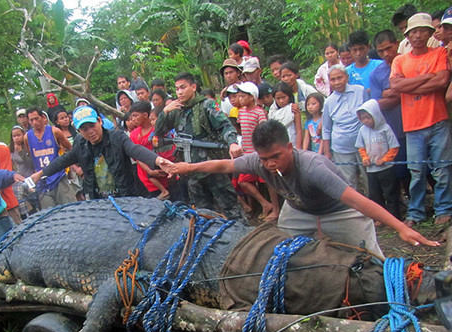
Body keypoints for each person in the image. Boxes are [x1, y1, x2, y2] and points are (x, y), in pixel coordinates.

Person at [168, 120, 440, 260]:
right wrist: (187, 168)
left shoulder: (313, 167)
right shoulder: (258, 161)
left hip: (339, 212)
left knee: (371, 259)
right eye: (264, 159)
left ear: (290, 147)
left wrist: (400, 227)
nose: (270, 163)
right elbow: (224, 165)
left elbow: (358, 201)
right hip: (298, 211)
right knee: (284, 252)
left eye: (275, 156)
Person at [29, 105, 173, 199]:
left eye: (92, 125)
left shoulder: (117, 137)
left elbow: (135, 149)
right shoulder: (81, 143)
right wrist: (40, 174)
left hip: (125, 196)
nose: (90, 132)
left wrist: (158, 160)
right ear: (79, 131)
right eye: (84, 129)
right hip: (98, 200)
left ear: (100, 121)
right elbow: (63, 160)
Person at [155, 72, 245, 222]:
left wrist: (233, 143)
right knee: (202, 213)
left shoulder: (206, 105)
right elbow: (158, 131)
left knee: (231, 208)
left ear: (193, 87)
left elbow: (225, 126)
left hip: (212, 166)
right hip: (191, 170)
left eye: (183, 87)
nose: (180, 92)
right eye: (177, 89)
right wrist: (165, 111)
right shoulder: (177, 109)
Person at [390, 13, 452, 226]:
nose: (418, 35)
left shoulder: (439, 53)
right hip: (413, 125)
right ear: (407, 35)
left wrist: (411, 84)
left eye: (422, 30)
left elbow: (442, 81)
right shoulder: (400, 60)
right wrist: (427, 77)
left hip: (438, 120)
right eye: (414, 31)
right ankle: (416, 212)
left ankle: (443, 209)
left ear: (430, 33)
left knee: (442, 168)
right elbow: (396, 87)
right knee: (416, 171)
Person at [370, 30, 410, 196]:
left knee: (425, 167)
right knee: (401, 171)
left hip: (417, 122)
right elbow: (378, 104)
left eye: (388, 48)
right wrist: (405, 92)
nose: (386, 54)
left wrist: (390, 92)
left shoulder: (410, 62)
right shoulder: (376, 73)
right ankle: (408, 204)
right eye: (381, 51)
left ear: (397, 43)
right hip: (394, 127)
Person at [235, 82, 279, 221]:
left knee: (267, 181)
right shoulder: (241, 113)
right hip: (247, 153)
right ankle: (265, 204)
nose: (240, 99)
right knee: (243, 181)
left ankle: (276, 209)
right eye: (239, 96)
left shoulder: (259, 112)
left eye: (243, 96)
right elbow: (240, 130)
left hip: (259, 152)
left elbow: (264, 131)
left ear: (252, 97)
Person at [322, 65, 369, 191]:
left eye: (340, 78)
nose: (337, 82)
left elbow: (370, 116)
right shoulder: (328, 102)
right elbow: (326, 129)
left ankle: (373, 207)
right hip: (341, 148)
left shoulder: (360, 91)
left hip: (363, 145)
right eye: (333, 80)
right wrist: (327, 153)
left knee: (368, 178)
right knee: (348, 181)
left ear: (347, 77)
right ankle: (355, 209)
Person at [354, 99, 401, 222]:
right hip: (371, 169)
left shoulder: (385, 128)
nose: (365, 121)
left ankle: (394, 218)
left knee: (391, 193)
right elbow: (361, 147)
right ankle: (380, 218)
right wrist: (365, 158)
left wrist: (385, 159)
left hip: (386, 168)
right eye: (362, 118)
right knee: (375, 195)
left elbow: (394, 146)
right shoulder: (362, 130)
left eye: (368, 117)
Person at [24, 107, 77, 209]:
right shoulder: (27, 137)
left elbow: (70, 149)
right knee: (50, 213)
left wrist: (72, 168)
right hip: (42, 181)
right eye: (31, 120)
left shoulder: (54, 131)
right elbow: (30, 155)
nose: (35, 122)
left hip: (58, 176)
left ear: (42, 117)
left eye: (36, 118)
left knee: (70, 208)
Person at [129, 102, 170, 200]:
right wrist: (150, 171)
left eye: (135, 115)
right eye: (132, 116)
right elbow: (137, 157)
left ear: (145, 115)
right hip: (145, 177)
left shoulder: (157, 130)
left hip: (164, 172)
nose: (133, 119)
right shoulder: (134, 134)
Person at [268, 82, 302, 149]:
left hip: (292, 143)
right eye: (278, 98)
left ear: (289, 96)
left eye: (284, 97)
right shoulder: (272, 112)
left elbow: (299, 131)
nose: (281, 101)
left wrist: (298, 149)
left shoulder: (293, 109)